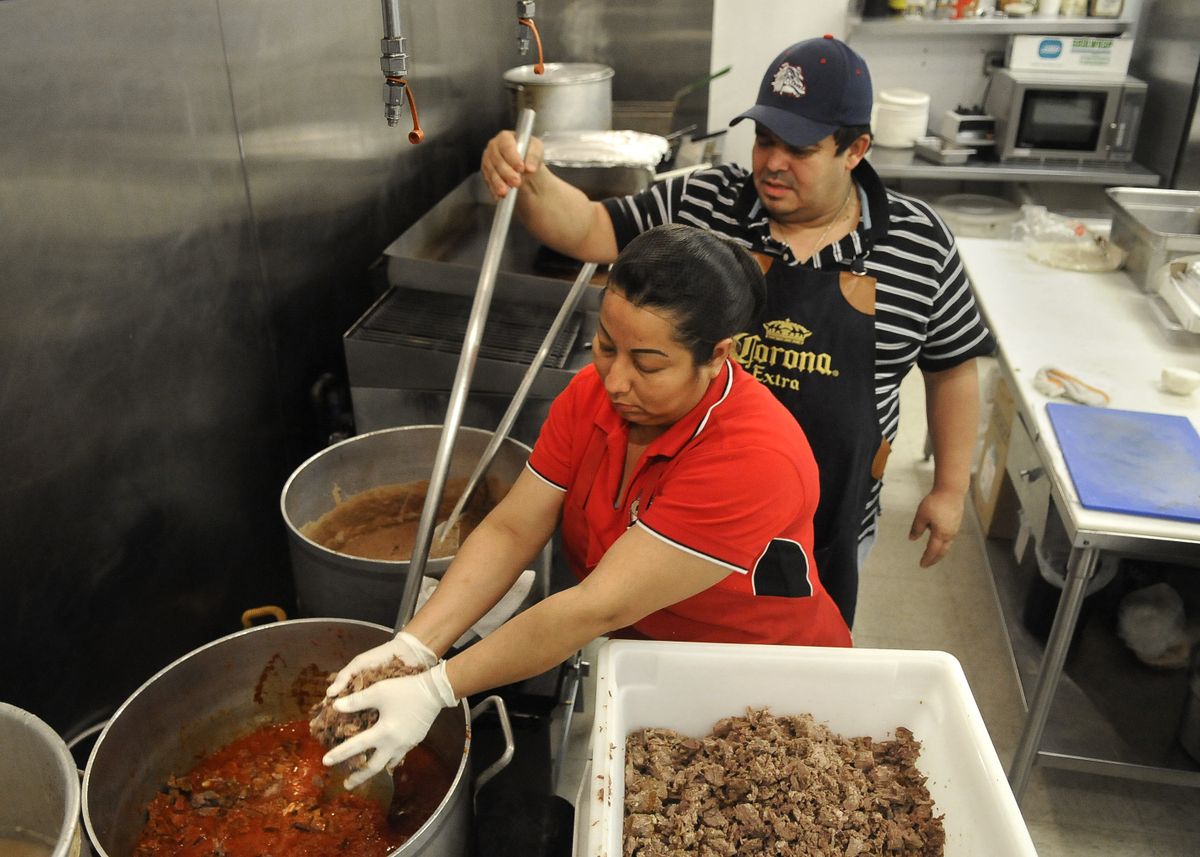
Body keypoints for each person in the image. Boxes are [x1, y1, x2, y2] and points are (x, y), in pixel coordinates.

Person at [479, 35, 996, 628]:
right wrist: (530, 175)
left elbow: (952, 366)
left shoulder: (919, 243)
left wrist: (951, 489)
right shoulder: (707, 199)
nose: (772, 163)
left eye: (799, 148)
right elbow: (591, 229)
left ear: (855, 149)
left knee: (792, 663)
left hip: (834, 514)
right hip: (688, 502)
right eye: (764, 140)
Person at [321, 225, 851, 788]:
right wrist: (414, 647)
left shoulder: (755, 458)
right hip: (649, 657)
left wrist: (437, 688)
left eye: (647, 365)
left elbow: (594, 607)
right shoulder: (590, 397)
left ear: (718, 356)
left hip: (764, 680)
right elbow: (510, 529)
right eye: (605, 346)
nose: (615, 380)